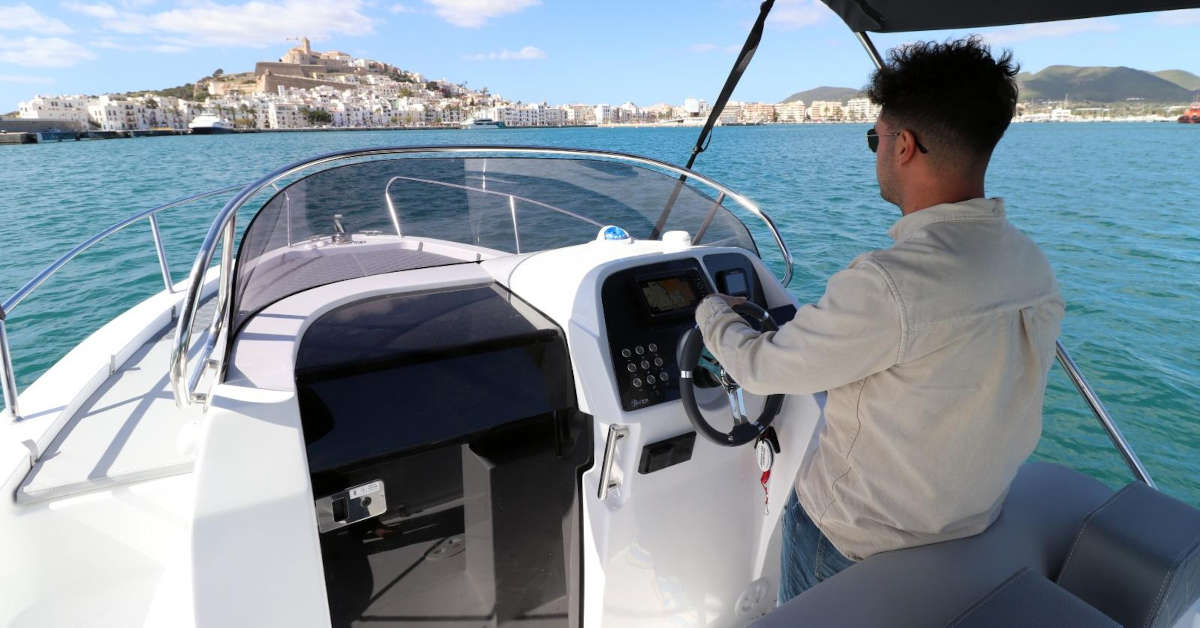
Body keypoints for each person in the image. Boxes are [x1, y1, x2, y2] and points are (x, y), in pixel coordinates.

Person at [693, 37, 1064, 604]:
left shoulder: (890, 284)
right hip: (968, 522)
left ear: (904, 146)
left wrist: (710, 311)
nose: (876, 152)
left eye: (876, 138)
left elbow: (761, 368)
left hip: (851, 542)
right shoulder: (1029, 261)